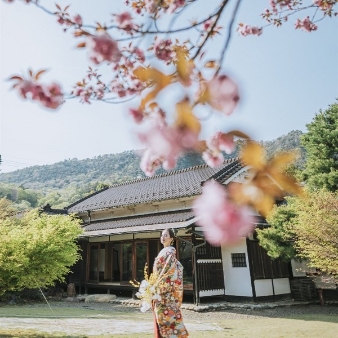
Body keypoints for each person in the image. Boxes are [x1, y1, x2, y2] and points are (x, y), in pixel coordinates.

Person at [152, 228, 189, 338]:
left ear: (171, 239)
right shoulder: (164, 252)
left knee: (166, 317)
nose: (162, 237)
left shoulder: (169, 253)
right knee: (163, 318)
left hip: (165, 291)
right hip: (161, 289)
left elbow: (168, 272)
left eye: (166, 235)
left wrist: (157, 285)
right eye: (162, 235)